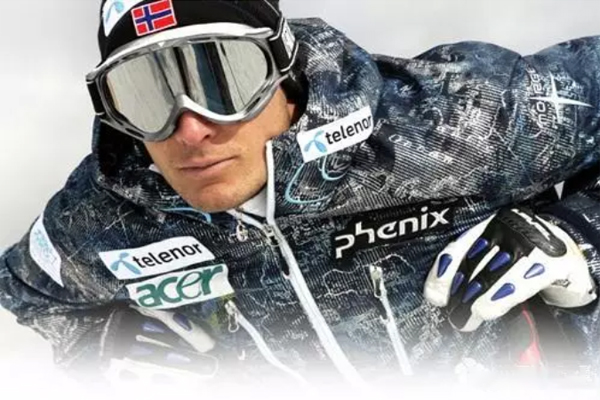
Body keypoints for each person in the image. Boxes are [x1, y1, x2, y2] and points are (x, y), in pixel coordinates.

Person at [1, 0, 599, 391]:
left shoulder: (460, 123)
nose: (189, 129)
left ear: (281, 69)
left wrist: (581, 237)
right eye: (142, 94)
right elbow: (28, 291)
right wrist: (102, 345)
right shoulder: (105, 218)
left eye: (221, 77)